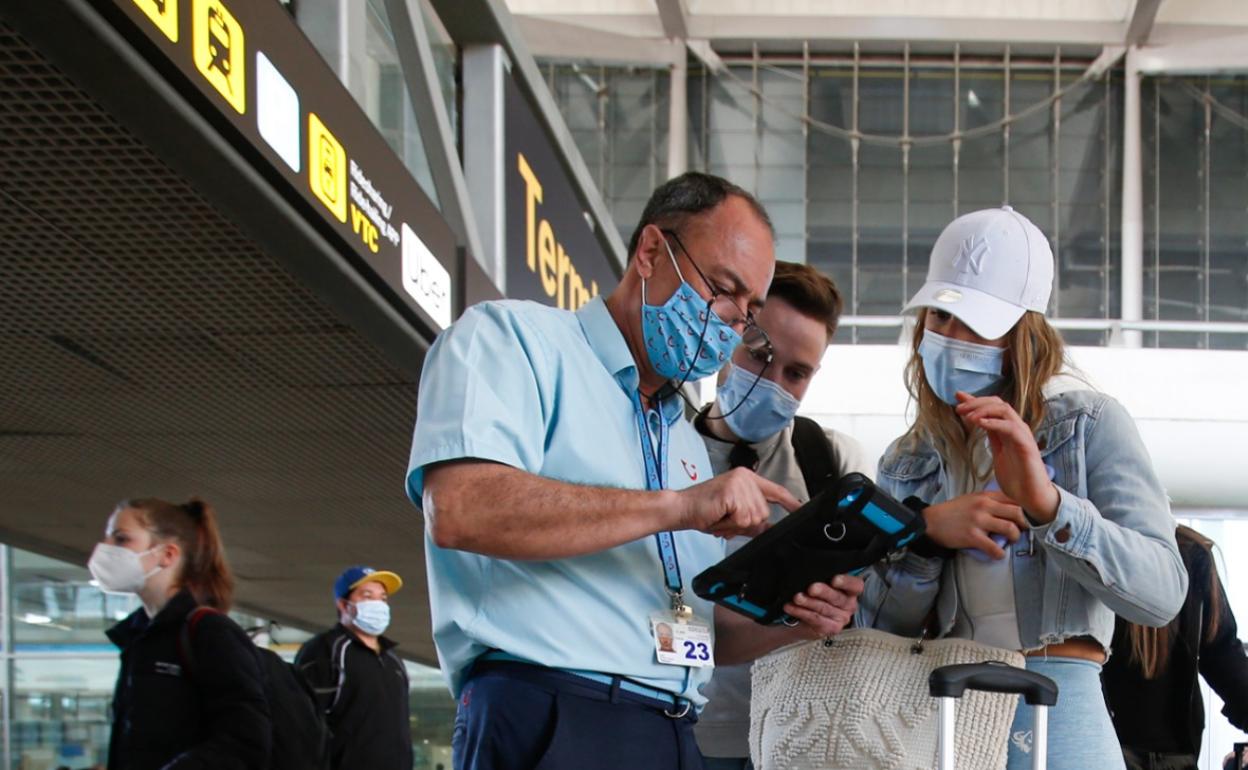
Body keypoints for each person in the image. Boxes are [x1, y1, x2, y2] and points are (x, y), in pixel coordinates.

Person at [406, 171, 864, 770]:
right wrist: (679, 507)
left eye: (747, 309)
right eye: (723, 290)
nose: (731, 323)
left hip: (671, 730)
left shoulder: (680, 435)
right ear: (651, 251)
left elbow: (702, 633)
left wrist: (796, 620)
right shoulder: (514, 341)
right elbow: (463, 508)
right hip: (549, 711)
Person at [856, 206, 1188, 770]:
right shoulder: (908, 460)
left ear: (1022, 333)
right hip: (941, 705)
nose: (950, 337)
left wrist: (1050, 508)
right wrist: (926, 534)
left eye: (976, 325)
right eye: (938, 316)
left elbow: (1162, 593)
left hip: (1059, 704)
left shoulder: (1089, 424)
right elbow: (880, 628)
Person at [692, 260, 871, 769]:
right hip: (688, 731)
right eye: (760, 354)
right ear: (731, 337)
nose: (772, 381)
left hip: (804, 739)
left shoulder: (830, 464)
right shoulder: (662, 455)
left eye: (796, 373)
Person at [93, 498, 270, 770]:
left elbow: (246, 741)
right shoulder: (139, 638)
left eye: (121, 539)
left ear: (168, 555)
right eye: (107, 537)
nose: (105, 548)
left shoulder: (208, 631)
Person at [1103, 525, 1248, 770]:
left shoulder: (1190, 553)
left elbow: (1222, 655)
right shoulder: (1189, 552)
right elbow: (1223, 655)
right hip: (1121, 748)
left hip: (1162, 752)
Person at [294, 566, 412, 770]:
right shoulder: (325, 650)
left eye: (382, 598)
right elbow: (302, 723)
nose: (378, 604)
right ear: (343, 604)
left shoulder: (393, 661)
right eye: (367, 596)